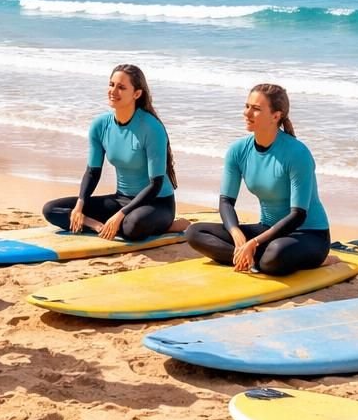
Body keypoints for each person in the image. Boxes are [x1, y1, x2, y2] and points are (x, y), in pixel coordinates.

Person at [185, 83, 330, 275]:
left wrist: (254, 242)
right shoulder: (238, 150)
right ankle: (249, 258)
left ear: (276, 116)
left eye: (256, 109)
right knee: (195, 233)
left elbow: (298, 215)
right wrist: (236, 233)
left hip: (307, 234)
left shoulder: (297, 153)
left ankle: (255, 257)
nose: (247, 113)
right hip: (267, 229)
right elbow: (226, 201)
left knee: (275, 253)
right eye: (247, 106)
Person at [41, 64, 186, 241]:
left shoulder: (151, 128)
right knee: (51, 210)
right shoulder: (100, 125)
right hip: (121, 199)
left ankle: (169, 226)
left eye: (121, 87)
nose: (113, 91)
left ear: (137, 94)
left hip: (156, 203)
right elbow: (92, 172)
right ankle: (97, 226)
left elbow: (155, 185)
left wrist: (120, 215)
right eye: (111, 84)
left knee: (132, 227)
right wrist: (80, 206)